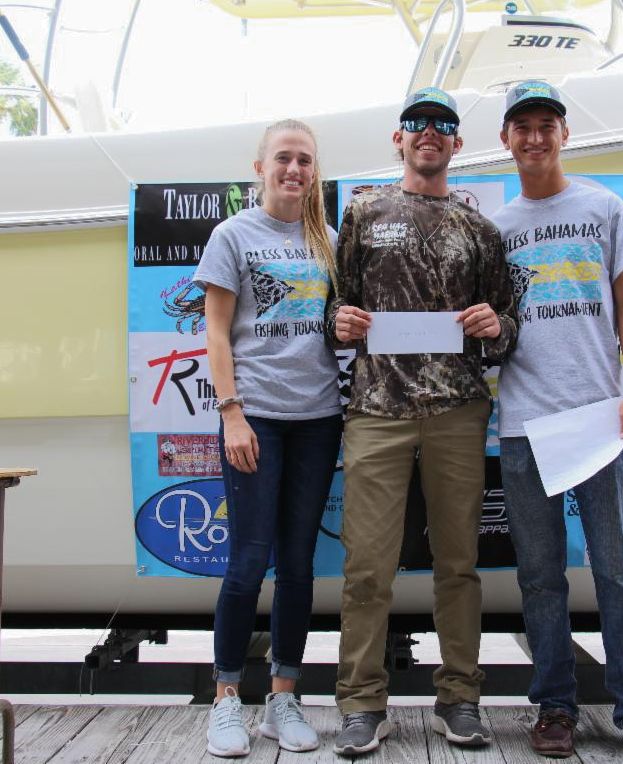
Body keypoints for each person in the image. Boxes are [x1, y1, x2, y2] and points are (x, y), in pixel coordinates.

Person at [328, 87, 517, 756]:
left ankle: (460, 698)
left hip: (457, 413)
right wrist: (339, 322)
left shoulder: (479, 230)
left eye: (442, 124)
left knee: (458, 563)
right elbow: (334, 310)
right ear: (399, 138)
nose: (428, 132)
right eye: (417, 122)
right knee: (366, 566)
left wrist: (496, 325)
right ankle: (361, 703)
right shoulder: (362, 212)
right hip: (375, 413)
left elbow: (507, 324)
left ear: (457, 143)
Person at [493, 81, 623, 762]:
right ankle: (554, 707)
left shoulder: (604, 206)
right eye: (522, 127)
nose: (535, 137)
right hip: (523, 426)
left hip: (600, 418)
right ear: (506, 140)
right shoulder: (496, 229)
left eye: (547, 124)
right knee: (540, 579)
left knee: (618, 570)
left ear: (564, 134)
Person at [193, 119, 343, 757]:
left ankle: (283, 698)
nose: (294, 169)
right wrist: (232, 414)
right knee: (249, 561)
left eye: (305, 160)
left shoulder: (331, 241)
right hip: (254, 419)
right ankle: (227, 698)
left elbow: (337, 326)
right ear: (260, 167)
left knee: (299, 564)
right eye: (283, 158)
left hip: (319, 419)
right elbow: (216, 331)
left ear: (315, 171)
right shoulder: (232, 235)